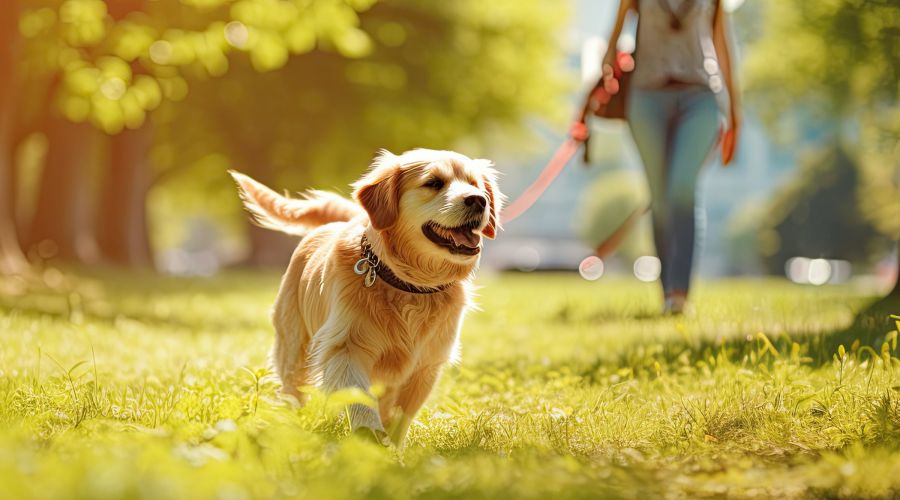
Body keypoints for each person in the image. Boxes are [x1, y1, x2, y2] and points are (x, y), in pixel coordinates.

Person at [600, 0, 740, 314]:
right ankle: (668, 293)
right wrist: (608, 65)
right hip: (646, 97)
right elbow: (615, 36)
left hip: (700, 94)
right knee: (660, 199)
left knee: (682, 189)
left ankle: (680, 292)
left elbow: (722, 46)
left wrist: (736, 115)